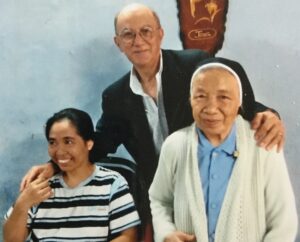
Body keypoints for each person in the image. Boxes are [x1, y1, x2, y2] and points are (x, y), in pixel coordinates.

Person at [19, 3, 285, 239]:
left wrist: (270, 114)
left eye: (146, 31)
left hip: (216, 186)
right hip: (165, 197)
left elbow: (239, 102)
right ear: (118, 43)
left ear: (160, 33)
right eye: (128, 34)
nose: (138, 41)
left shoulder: (194, 64)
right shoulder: (115, 96)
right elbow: (99, 145)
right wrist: (54, 165)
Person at [149, 57, 297, 242]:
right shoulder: (174, 145)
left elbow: (283, 222)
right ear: (190, 99)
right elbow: (159, 200)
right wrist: (166, 233)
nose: (211, 109)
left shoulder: (263, 144)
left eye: (224, 97)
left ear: (239, 102)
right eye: (200, 96)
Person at [3, 108, 140, 242]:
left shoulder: (112, 183)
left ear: (89, 144)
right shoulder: (39, 186)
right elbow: (11, 239)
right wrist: (23, 202)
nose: (60, 151)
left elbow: (128, 236)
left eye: (68, 142)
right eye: (52, 143)